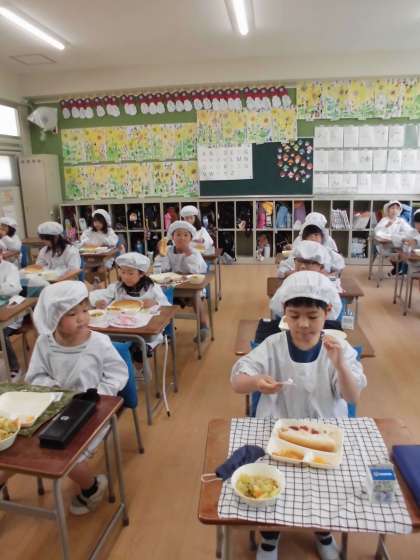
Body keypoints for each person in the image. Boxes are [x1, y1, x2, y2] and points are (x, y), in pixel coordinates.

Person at [231, 271, 366, 560]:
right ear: (284, 313)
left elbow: (352, 396)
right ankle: (270, 537)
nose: (303, 324)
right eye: (294, 316)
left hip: (324, 432)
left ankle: (323, 531)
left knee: (326, 486)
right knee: (272, 479)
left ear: (328, 311)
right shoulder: (273, 345)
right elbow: (237, 382)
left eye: (312, 316)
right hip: (277, 429)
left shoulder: (337, 348)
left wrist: (340, 365)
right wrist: (256, 382)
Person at [0, 281, 128, 515]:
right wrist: (56, 391)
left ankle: (92, 487)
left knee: (64, 452)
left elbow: (117, 374)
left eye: (85, 310)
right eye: (72, 313)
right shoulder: (45, 344)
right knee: (20, 443)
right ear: (54, 317)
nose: (82, 318)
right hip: (53, 406)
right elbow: (35, 376)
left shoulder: (98, 342)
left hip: (93, 410)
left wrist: (99, 393)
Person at [90, 252, 169, 352]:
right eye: (123, 272)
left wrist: (155, 303)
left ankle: (142, 351)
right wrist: (97, 302)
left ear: (141, 273)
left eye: (130, 273)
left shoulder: (152, 288)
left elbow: (167, 308)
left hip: (145, 328)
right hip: (121, 328)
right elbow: (96, 296)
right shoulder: (117, 287)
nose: (126, 277)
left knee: (143, 345)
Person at [155, 220, 209, 340]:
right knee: (158, 296)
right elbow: (163, 269)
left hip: (190, 288)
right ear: (172, 237)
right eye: (178, 234)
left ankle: (203, 325)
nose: (181, 238)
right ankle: (165, 329)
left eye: (185, 235)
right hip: (172, 288)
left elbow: (196, 271)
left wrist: (189, 255)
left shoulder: (194, 252)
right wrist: (162, 255)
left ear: (190, 238)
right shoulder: (168, 251)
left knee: (196, 296)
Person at [271, 241, 343, 321]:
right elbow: (277, 306)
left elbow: (334, 310)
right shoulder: (291, 280)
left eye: (308, 262)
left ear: (321, 266)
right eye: (299, 261)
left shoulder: (325, 283)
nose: (302, 266)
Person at [0, 240, 23, 379]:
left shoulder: (9, 268)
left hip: (12, 308)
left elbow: (13, 288)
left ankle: (14, 367)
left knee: (0, 332)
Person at [80, 209, 119, 284]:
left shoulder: (109, 231)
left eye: (100, 222)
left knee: (101, 270)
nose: (97, 224)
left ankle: (98, 282)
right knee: (86, 271)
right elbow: (83, 241)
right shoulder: (89, 231)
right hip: (91, 258)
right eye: (95, 222)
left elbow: (112, 242)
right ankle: (94, 283)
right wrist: (92, 245)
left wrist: (103, 243)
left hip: (105, 258)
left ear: (104, 222)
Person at [374, 200, 412, 276]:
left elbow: (409, 231)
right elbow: (377, 232)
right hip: (385, 247)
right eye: (392, 208)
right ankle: (398, 269)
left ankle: (401, 270)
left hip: (398, 246)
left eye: (397, 208)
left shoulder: (401, 221)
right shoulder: (384, 220)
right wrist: (386, 226)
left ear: (399, 210)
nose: (394, 210)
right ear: (388, 210)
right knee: (397, 252)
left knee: (406, 249)